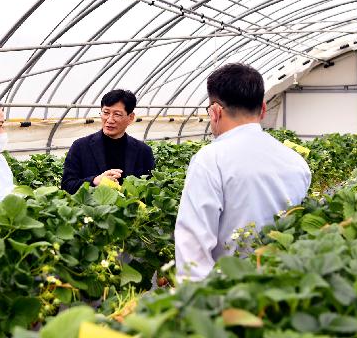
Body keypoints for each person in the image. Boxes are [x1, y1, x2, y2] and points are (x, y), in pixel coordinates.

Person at [174, 63, 311, 281]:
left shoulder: (211, 159)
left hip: (228, 295)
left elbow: (192, 246)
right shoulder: (296, 162)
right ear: (263, 109)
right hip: (283, 288)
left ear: (215, 111)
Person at [61, 89, 155, 194]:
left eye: (117, 114)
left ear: (130, 117)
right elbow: (66, 186)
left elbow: (149, 190)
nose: (110, 120)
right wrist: (94, 181)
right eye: (106, 113)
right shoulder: (80, 146)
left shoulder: (143, 151)